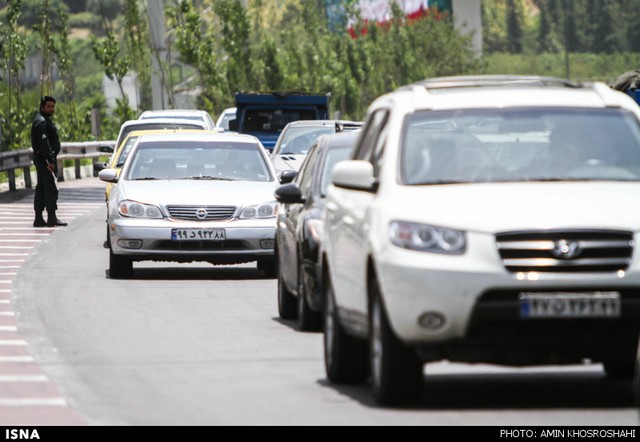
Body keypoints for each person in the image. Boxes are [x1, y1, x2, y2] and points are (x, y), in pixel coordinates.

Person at [31, 96, 67, 227]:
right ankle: (51, 217)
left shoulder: (45, 120)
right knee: (50, 188)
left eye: (53, 106)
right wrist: (50, 160)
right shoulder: (40, 122)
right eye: (49, 106)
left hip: (45, 158)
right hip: (45, 160)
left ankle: (39, 218)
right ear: (42, 107)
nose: (51, 109)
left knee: (41, 187)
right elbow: (44, 143)